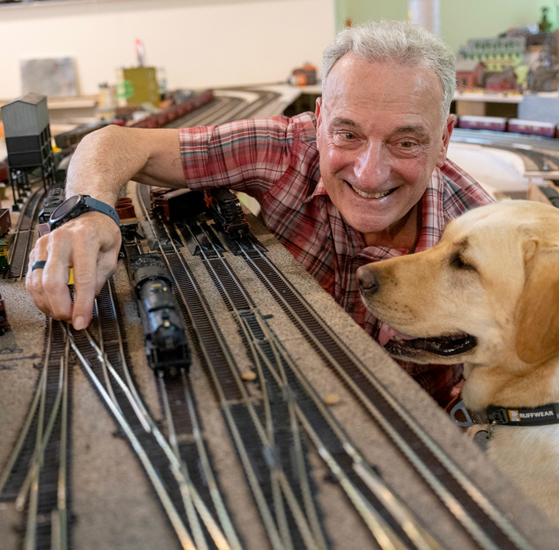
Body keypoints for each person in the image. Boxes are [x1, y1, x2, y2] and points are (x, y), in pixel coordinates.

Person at [26, 20, 494, 406]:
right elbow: (113, 142)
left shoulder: (486, 239)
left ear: (445, 138)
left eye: (406, 142)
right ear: (318, 120)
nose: (370, 174)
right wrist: (88, 213)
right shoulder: (284, 150)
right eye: (347, 134)